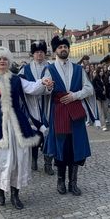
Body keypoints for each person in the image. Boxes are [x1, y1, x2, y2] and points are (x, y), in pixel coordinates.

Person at [0, 47, 53, 209]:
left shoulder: (16, 79)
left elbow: (32, 87)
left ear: (9, 62)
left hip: (17, 124)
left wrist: (44, 83)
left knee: (18, 159)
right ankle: (0, 190)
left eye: (5, 59)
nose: (2, 61)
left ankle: (15, 194)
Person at [43, 35, 93, 196]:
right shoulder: (49, 69)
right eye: (60, 47)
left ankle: (73, 183)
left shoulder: (78, 69)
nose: (63, 49)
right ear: (55, 51)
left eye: (65, 47)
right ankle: (60, 181)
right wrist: (48, 88)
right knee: (61, 148)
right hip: (59, 112)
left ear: (68, 49)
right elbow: (45, 90)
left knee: (75, 147)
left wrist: (75, 95)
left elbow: (89, 89)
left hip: (76, 113)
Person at [18, 41, 54, 175]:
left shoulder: (50, 68)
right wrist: (40, 87)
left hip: (47, 106)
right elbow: (21, 88)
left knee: (49, 134)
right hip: (30, 107)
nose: (39, 54)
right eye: (37, 52)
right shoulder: (25, 69)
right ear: (32, 54)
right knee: (34, 134)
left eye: (42, 52)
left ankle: (48, 163)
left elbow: (51, 87)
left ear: (45, 53)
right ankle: (33, 159)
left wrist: (47, 88)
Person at [92, 66, 109, 131]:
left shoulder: (105, 78)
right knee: (100, 111)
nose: (102, 72)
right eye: (100, 71)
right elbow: (94, 88)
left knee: (105, 109)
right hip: (98, 97)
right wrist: (101, 90)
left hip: (105, 97)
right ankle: (103, 125)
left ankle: (103, 120)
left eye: (102, 71)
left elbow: (108, 86)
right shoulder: (95, 79)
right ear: (98, 72)